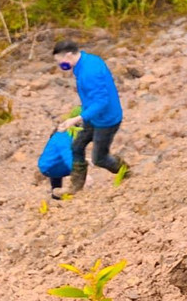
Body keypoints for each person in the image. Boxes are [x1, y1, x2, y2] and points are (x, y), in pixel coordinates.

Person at [53, 40, 130, 192]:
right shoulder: (85, 62)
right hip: (92, 116)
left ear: (68, 55)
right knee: (76, 146)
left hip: (106, 120)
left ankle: (126, 172)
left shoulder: (90, 71)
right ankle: (76, 187)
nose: (60, 65)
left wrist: (75, 119)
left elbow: (102, 102)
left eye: (59, 61)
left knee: (99, 158)